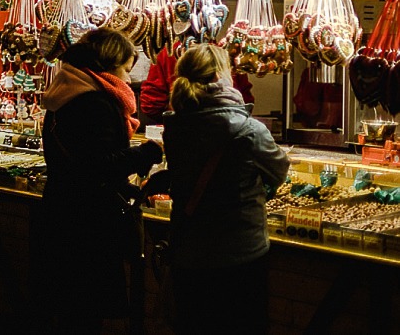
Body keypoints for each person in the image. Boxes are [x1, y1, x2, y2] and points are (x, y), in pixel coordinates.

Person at [38, 27, 163, 335]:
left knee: (70, 309)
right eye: (124, 69)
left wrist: (130, 187)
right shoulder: (93, 103)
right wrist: (148, 153)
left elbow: (79, 161)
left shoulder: (65, 92)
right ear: (107, 66)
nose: (128, 79)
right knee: (84, 310)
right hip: (87, 222)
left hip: (61, 210)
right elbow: (98, 165)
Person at [161, 43, 288, 335]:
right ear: (221, 75)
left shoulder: (175, 126)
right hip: (239, 253)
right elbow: (279, 170)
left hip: (188, 250)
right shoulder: (248, 129)